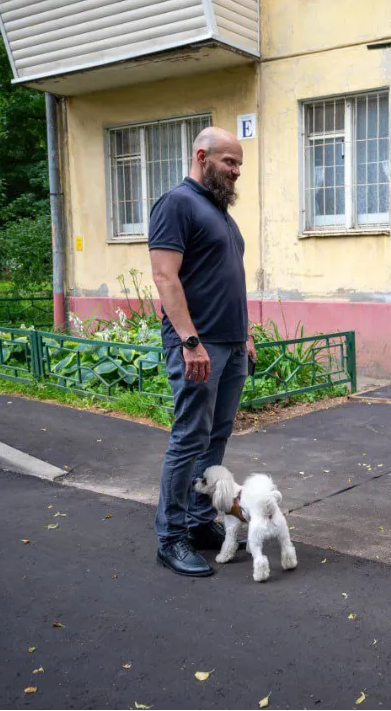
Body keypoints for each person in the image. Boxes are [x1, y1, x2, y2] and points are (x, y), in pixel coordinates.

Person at [148, 127, 257, 577]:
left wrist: (245, 334)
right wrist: (190, 342)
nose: (235, 172)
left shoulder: (220, 215)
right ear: (202, 156)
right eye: (229, 162)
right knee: (189, 437)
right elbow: (165, 277)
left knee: (215, 437)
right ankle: (171, 537)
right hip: (199, 345)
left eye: (239, 165)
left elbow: (229, 280)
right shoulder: (177, 203)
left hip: (230, 345)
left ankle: (197, 521)